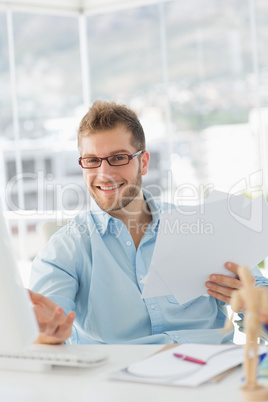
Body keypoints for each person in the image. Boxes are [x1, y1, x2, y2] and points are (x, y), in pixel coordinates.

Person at [30, 100, 268, 345]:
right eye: (92, 160)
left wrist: (258, 304)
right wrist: (47, 334)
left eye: (118, 158)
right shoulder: (65, 249)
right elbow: (42, 324)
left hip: (213, 369)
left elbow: (261, 303)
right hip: (121, 378)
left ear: (143, 162)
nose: (103, 173)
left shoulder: (202, 227)